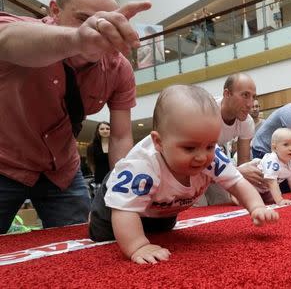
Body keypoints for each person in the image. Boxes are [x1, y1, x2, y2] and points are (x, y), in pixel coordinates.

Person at [0, 0, 151, 234]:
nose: (97, 31)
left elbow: (121, 136)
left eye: (106, 23)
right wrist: (77, 39)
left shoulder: (119, 69)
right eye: (84, 19)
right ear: (54, 10)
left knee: (84, 246)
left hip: (62, 172)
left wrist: (124, 193)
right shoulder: (21, 31)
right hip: (4, 163)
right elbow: (7, 40)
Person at [88, 85, 279, 264]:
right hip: (118, 201)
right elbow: (124, 209)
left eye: (210, 146)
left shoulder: (213, 157)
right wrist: (138, 246)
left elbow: (237, 183)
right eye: (189, 148)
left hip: (162, 207)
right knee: (104, 233)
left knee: (162, 230)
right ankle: (94, 218)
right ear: (159, 143)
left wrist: (256, 207)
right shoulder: (141, 166)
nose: (202, 157)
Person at [202, 74, 264, 205]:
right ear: (227, 94)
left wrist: (242, 192)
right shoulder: (206, 112)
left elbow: (244, 163)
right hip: (187, 168)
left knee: (223, 203)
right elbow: (196, 159)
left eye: (253, 97)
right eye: (245, 95)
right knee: (194, 209)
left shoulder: (247, 122)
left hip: (214, 163)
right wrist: (238, 172)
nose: (250, 104)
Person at [253, 128, 291, 206]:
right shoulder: (272, 160)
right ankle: (236, 195)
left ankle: (261, 196)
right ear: (275, 148)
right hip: (251, 185)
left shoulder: (289, 163)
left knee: (271, 197)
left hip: (264, 189)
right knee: (251, 199)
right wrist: (280, 201)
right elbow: (271, 181)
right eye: (286, 144)